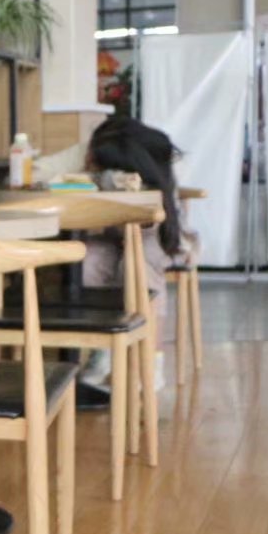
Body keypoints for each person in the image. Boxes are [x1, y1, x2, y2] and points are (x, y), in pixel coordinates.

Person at [78, 117, 189, 389]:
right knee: (89, 260)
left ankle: (150, 360)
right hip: (110, 234)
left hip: (155, 235)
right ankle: (102, 351)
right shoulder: (101, 157)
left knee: (138, 265)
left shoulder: (154, 173)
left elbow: (164, 229)